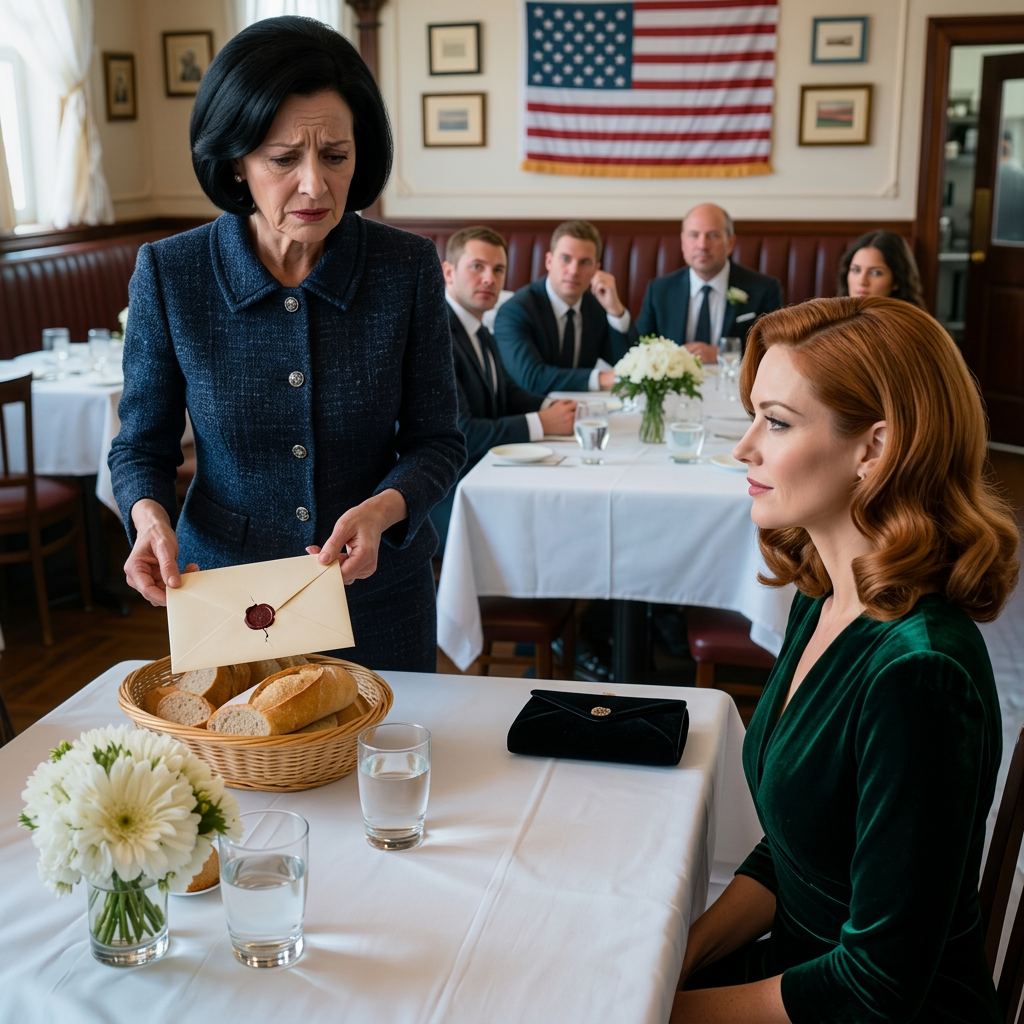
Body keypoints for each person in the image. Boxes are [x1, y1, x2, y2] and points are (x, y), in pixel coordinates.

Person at [672, 297, 1019, 1023]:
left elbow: (878, 986)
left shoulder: (920, 673)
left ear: (875, 448)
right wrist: (678, 956)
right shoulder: (825, 595)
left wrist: (657, 1011)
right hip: (800, 976)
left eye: (778, 421)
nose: (744, 449)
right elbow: (794, 851)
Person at [108, 17, 466, 672]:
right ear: (236, 163)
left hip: (377, 593)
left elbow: (438, 439)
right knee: (231, 770)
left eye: (336, 156)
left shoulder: (405, 268)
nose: (315, 185)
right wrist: (149, 517)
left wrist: (386, 509)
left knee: (379, 766)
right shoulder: (172, 273)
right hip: (223, 590)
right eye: (283, 160)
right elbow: (141, 444)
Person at [429, 226, 577, 552]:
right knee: (555, 519)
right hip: (447, 496)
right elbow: (462, 431)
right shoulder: (436, 336)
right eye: (477, 267)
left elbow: (507, 394)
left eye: (498, 270)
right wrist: (542, 424)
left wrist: (557, 406)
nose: (489, 279)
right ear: (449, 273)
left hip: (485, 473)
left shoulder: (480, 328)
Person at [493, 220, 638, 394]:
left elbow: (629, 366)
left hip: (585, 411)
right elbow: (531, 378)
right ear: (549, 261)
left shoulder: (596, 307)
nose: (574, 270)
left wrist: (615, 311)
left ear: (596, 269)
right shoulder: (517, 310)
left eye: (584, 262)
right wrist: (600, 379)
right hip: (531, 412)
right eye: (565, 259)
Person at [637, 203, 783, 364]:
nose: (702, 245)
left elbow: (776, 350)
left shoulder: (764, 289)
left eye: (712, 235)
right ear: (683, 241)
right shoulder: (659, 290)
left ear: (730, 242)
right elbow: (640, 348)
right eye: (693, 235)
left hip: (735, 385)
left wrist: (724, 355)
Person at [836, 229, 926, 307]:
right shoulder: (833, 319)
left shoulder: (906, 325)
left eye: (875, 273)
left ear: (896, 281)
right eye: (856, 270)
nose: (862, 281)